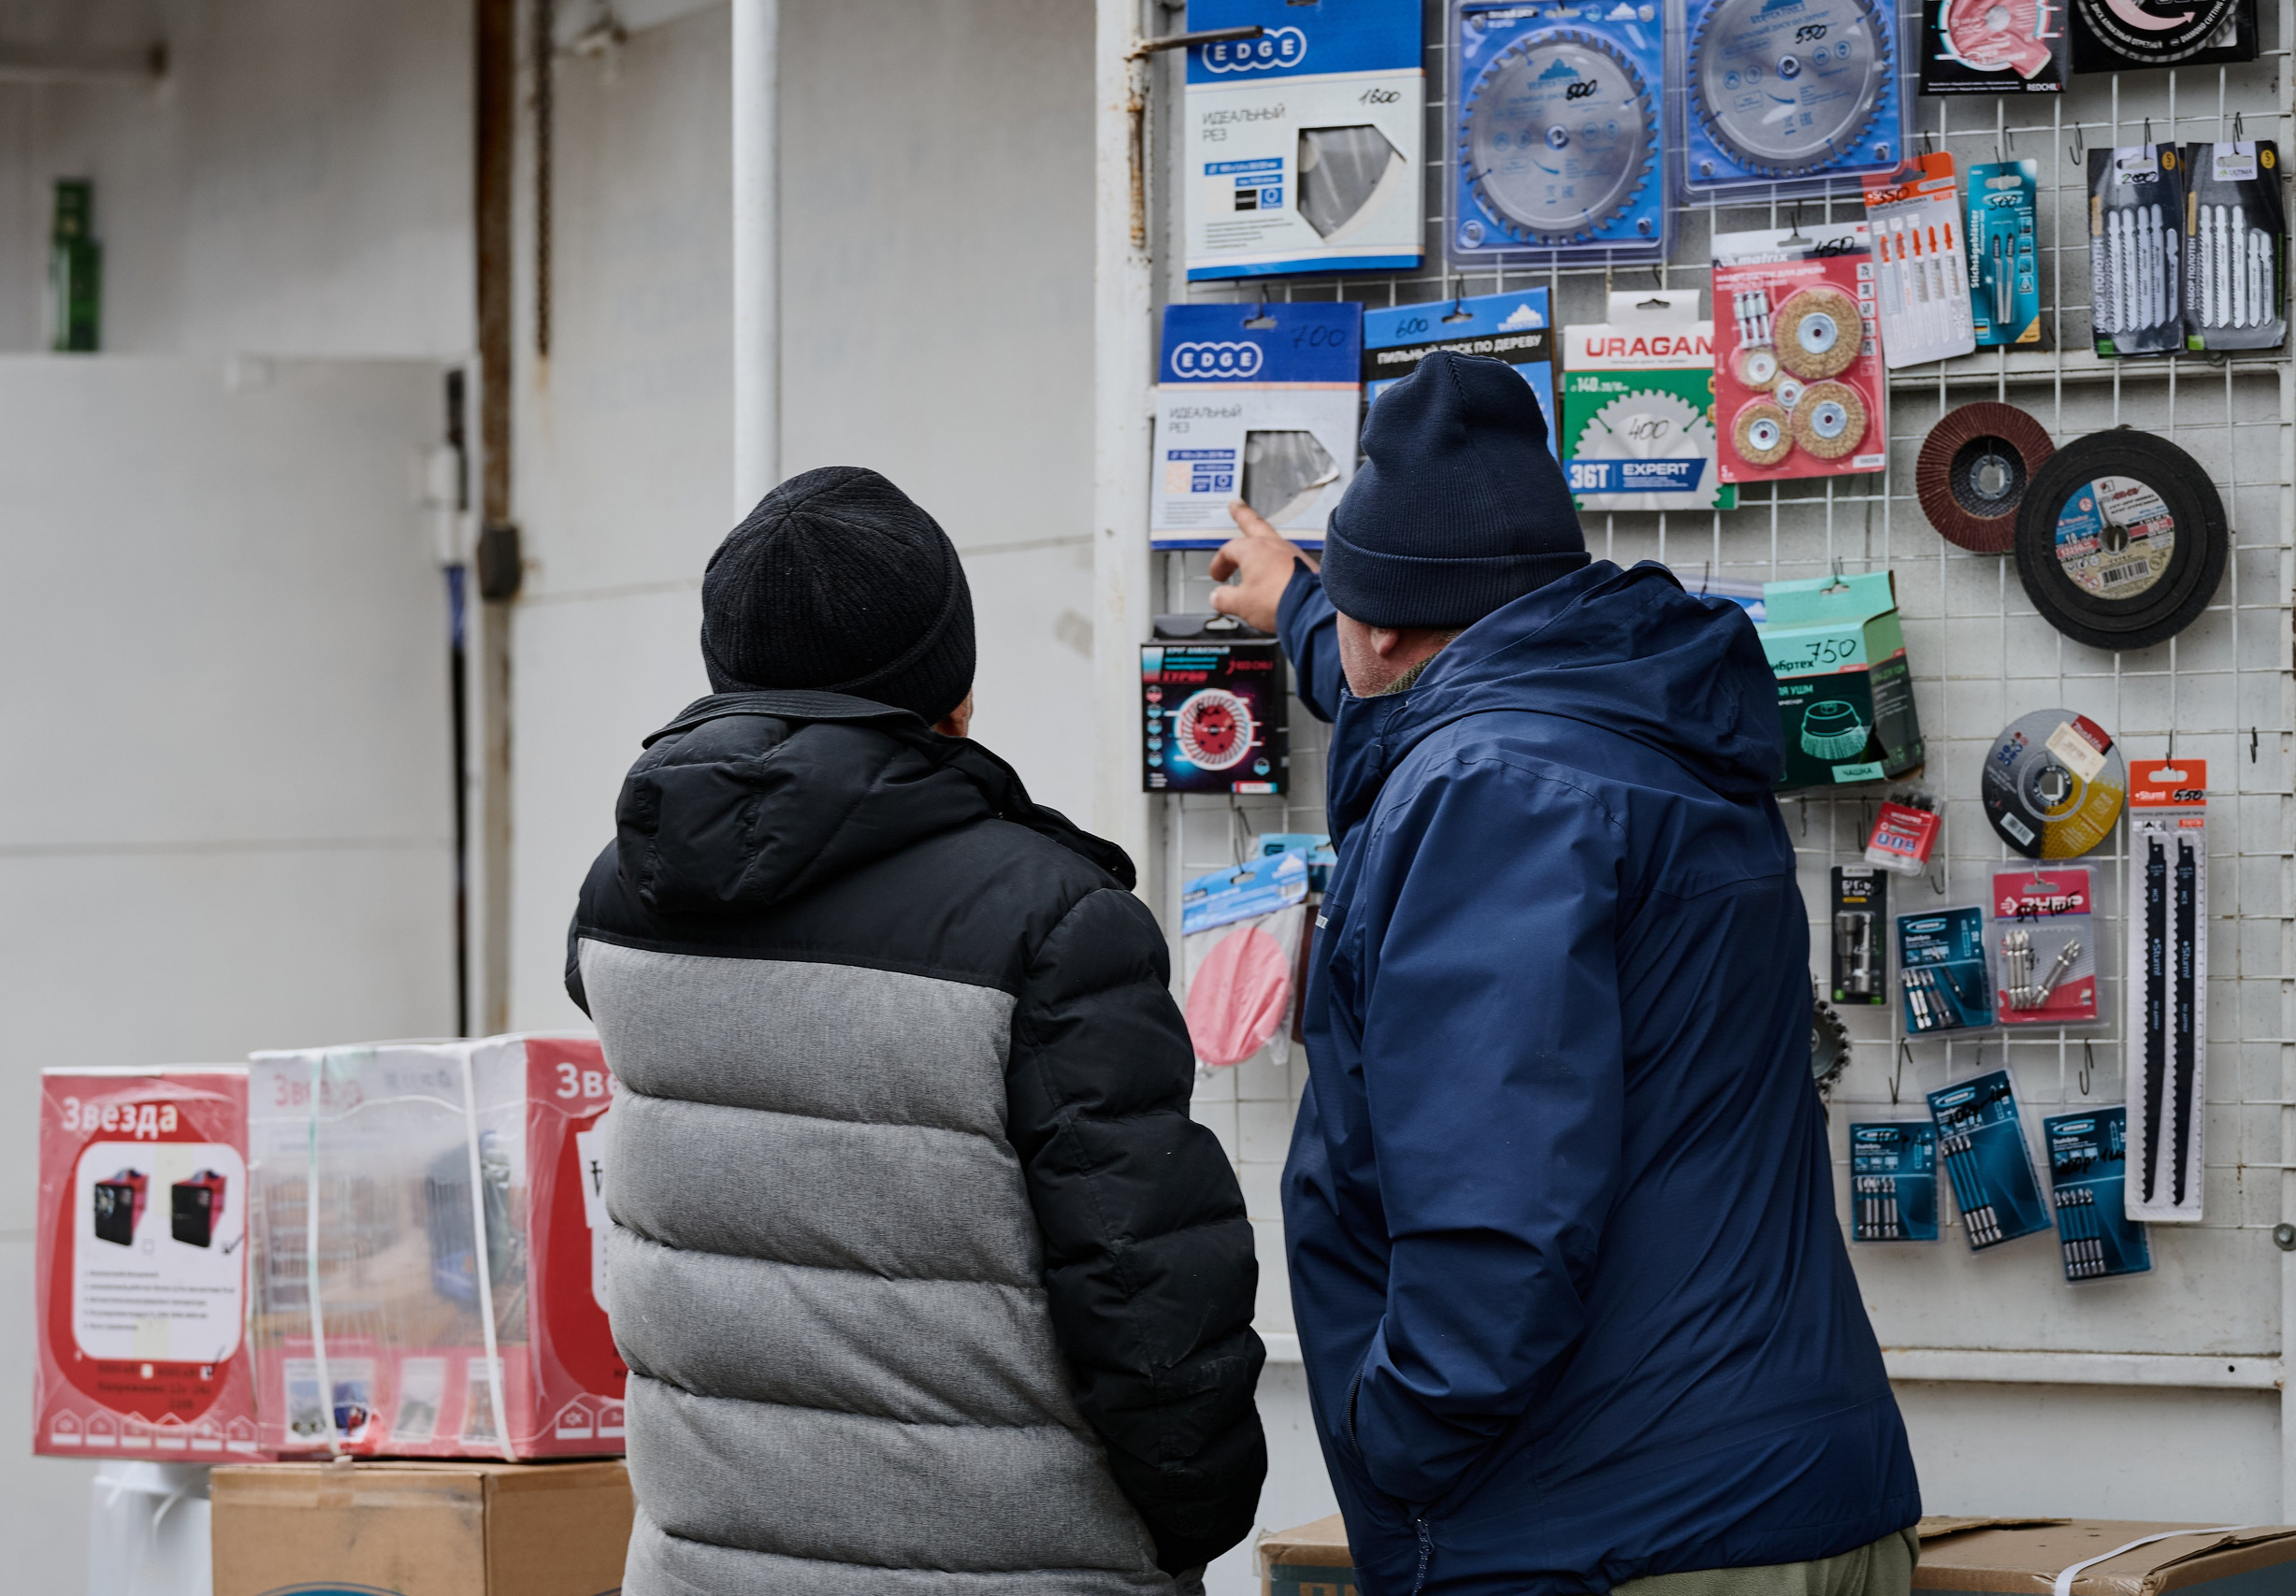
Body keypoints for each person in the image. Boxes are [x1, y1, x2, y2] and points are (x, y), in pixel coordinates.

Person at [1206, 352, 1920, 1596]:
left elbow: (1500, 1207)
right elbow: (1417, 677)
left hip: (1605, 1524)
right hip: (1805, 1488)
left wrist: (1401, 1445)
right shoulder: (1640, 711)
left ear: (1384, 621)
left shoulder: (1491, 796)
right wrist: (1298, 606)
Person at [567, 466, 1267, 1595]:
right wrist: (1199, 1511)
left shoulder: (628, 894)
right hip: (1021, 1563)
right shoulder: (1052, 920)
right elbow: (1145, 1294)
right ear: (951, 687)